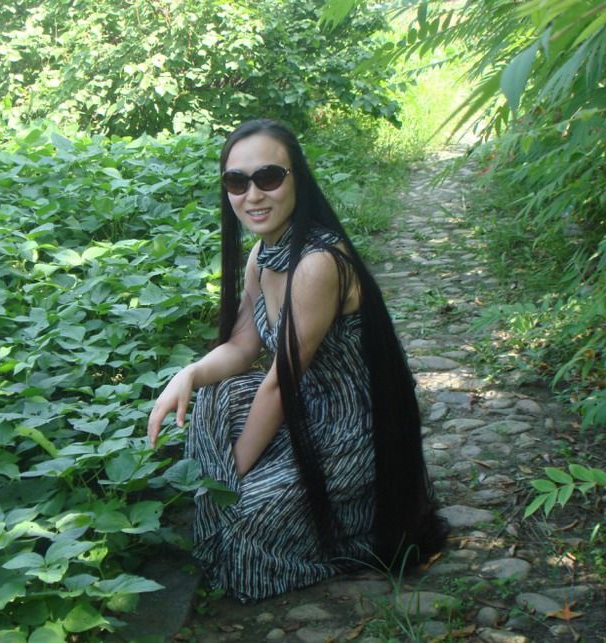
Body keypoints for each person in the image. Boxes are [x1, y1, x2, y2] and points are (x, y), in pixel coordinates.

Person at [147, 119, 448, 602]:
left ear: (297, 178)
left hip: (349, 432)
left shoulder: (317, 264)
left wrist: (234, 479)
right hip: (305, 408)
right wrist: (189, 374)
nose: (253, 195)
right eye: (237, 182)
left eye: (268, 177)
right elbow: (243, 347)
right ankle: (227, 497)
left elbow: (278, 384)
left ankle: (259, 506)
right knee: (215, 394)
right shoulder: (262, 255)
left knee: (245, 526)